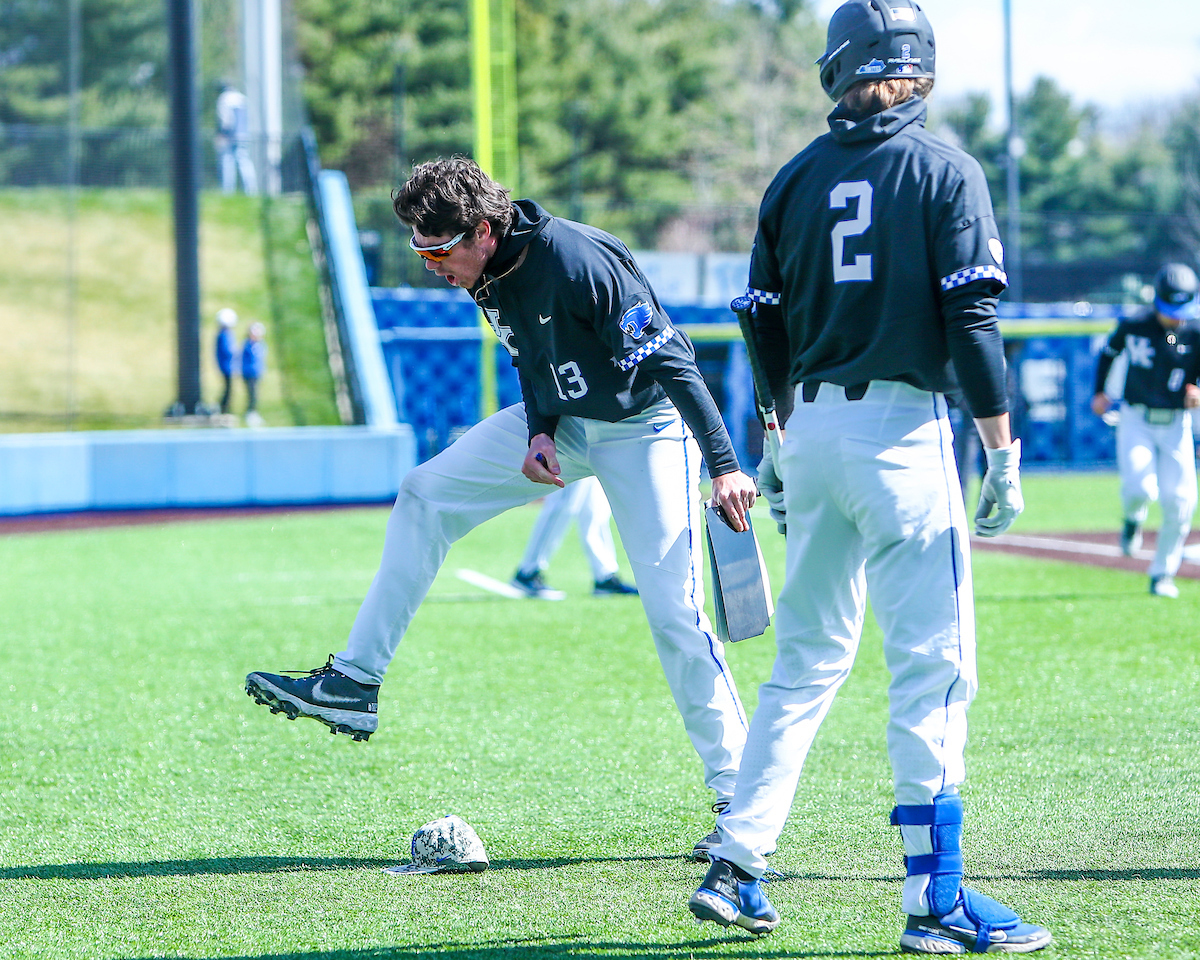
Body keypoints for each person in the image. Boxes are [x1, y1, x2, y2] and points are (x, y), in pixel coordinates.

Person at [245, 157, 759, 856]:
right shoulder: (488, 268)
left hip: (646, 428)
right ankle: (354, 682)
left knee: (675, 613)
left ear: (483, 229)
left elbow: (672, 362)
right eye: (420, 250)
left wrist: (725, 466)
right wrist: (541, 431)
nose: (429, 264)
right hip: (569, 423)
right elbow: (529, 354)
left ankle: (744, 800)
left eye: (436, 250)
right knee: (424, 493)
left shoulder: (578, 259)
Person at [687, 2, 1052, 953]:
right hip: (904, 436)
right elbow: (971, 324)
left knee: (804, 664)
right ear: (919, 69)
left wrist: (772, 433)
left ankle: (737, 861)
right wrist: (1002, 449)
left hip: (809, 428)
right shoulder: (946, 170)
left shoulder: (795, 178)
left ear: (836, 69)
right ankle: (935, 903)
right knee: (933, 669)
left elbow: (760, 320)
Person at [1091, 262, 1200, 598]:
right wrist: (1100, 392)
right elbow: (1108, 354)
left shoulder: (1195, 332)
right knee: (1141, 488)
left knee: (1180, 501)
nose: (1176, 318)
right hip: (1136, 418)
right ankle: (1133, 518)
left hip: (1175, 424)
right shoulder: (1134, 324)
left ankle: (1161, 574)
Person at [511, 477, 639, 598]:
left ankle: (605, 577)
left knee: (595, 508)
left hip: (597, 453)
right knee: (563, 504)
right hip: (572, 453)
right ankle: (528, 572)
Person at [215, 83, 257, 195]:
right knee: (244, 161)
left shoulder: (224, 98)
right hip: (243, 135)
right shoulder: (242, 98)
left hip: (230, 136)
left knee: (227, 162)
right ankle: (251, 191)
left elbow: (226, 119)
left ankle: (228, 191)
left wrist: (222, 135)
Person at [241, 322, 267, 426]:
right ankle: (250, 413)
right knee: (252, 394)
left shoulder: (261, 345)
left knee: (255, 394)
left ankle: (253, 412)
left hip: (256, 373)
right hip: (249, 373)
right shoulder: (248, 345)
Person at [215, 308, 238, 415]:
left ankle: (225, 408)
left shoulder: (225, 334)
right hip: (226, 366)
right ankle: (223, 408)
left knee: (229, 389)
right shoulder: (224, 335)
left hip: (227, 365)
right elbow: (228, 350)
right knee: (228, 389)